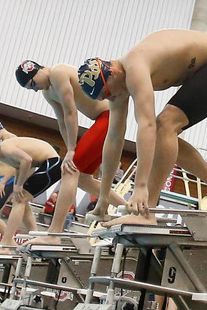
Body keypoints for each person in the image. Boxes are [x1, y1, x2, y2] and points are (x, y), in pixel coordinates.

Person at [79, 29, 207, 225]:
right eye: (104, 98)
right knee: (166, 130)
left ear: (113, 73)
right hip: (206, 68)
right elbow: (114, 138)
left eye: (108, 93)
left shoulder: (135, 67)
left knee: (164, 125)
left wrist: (141, 186)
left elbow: (147, 125)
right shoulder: (116, 84)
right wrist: (103, 198)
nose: (110, 99)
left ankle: (147, 210)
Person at [14, 61, 128, 242]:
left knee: (69, 170)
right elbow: (62, 122)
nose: (35, 89)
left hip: (109, 118)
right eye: (31, 88)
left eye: (33, 84)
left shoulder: (58, 73)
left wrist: (72, 151)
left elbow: (70, 113)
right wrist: (69, 149)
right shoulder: (47, 92)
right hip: (103, 120)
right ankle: (128, 209)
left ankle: (55, 233)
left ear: (38, 70)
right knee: (82, 177)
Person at [0, 135, 61, 249]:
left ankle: (7, 242)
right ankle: (32, 236)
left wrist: (19, 185)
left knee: (20, 199)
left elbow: (27, 160)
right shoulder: (3, 155)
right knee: (19, 198)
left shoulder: (4, 148)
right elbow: (19, 168)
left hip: (52, 163)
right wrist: (16, 186)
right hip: (48, 163)